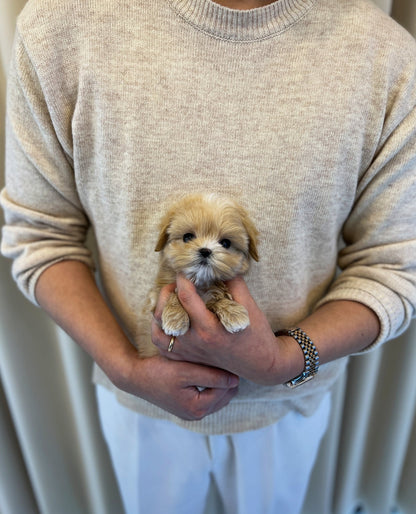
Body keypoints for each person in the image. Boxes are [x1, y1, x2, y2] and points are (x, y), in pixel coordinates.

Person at [2, 0, 416, 512]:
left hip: (291, 407)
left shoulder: (387, 58)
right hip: (138, 405)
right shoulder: (58, 28)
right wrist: (125, 367)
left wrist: (283, 360)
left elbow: (394, 266)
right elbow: (40, 236)